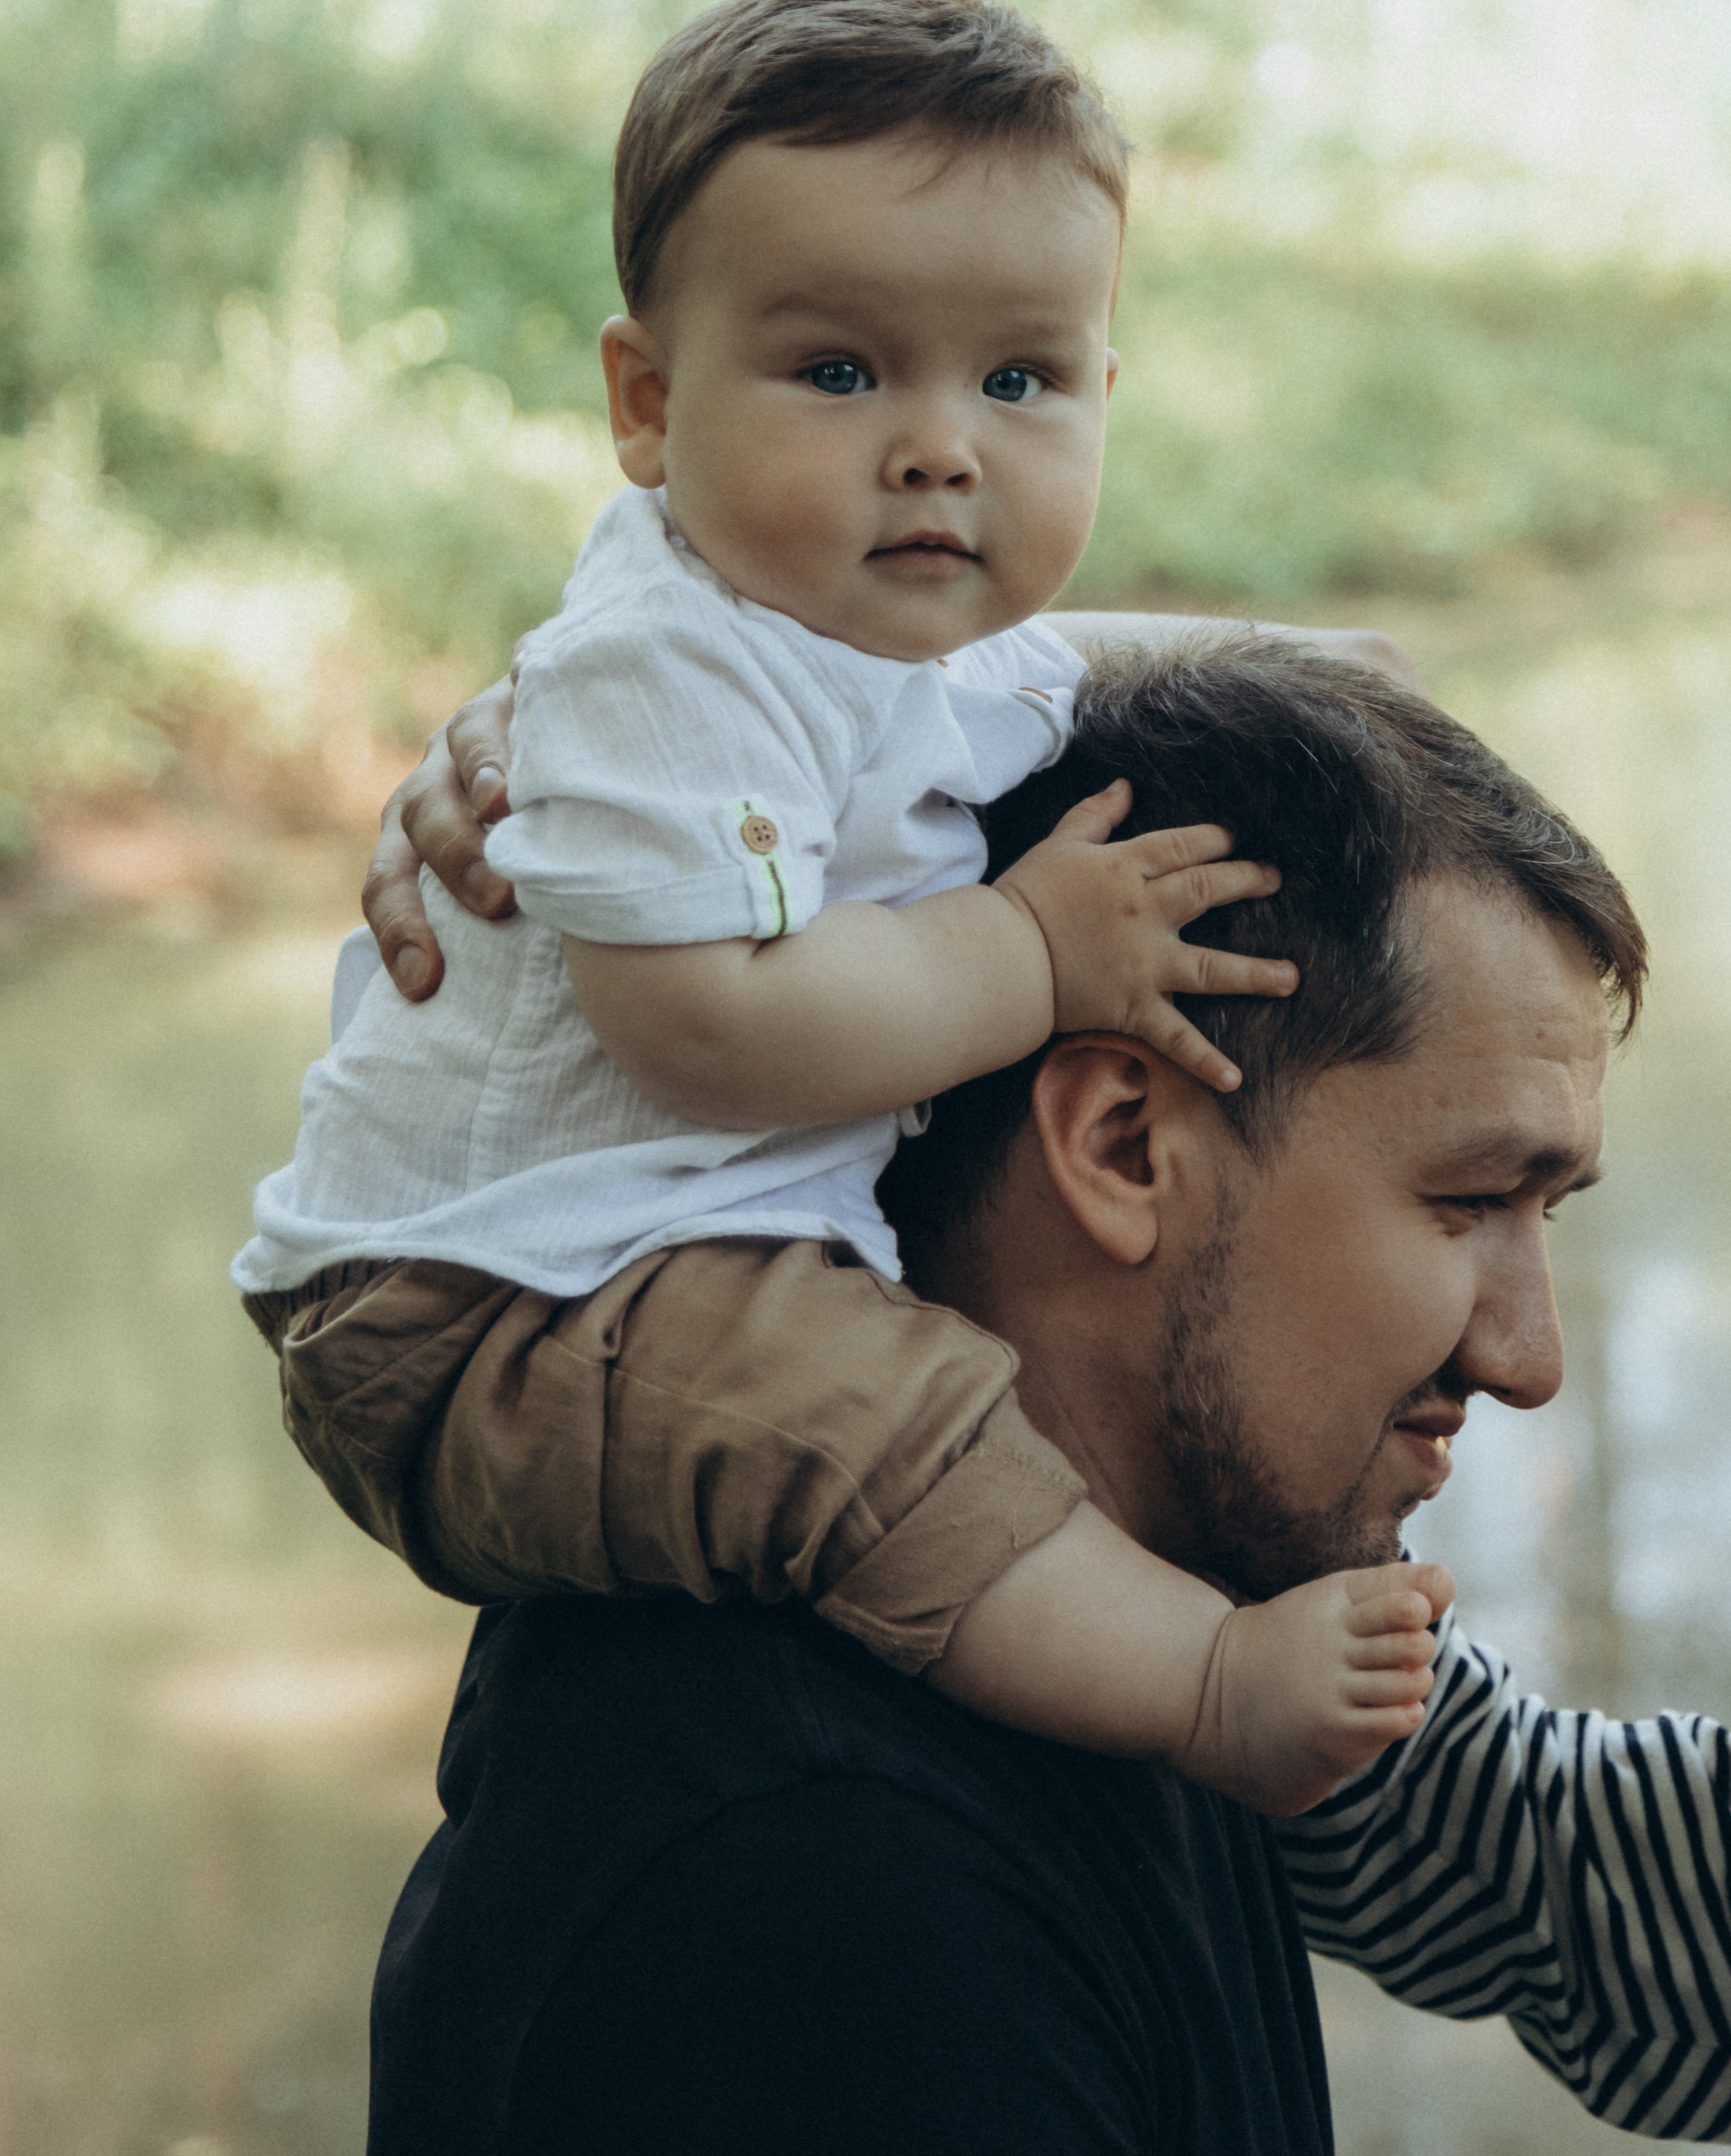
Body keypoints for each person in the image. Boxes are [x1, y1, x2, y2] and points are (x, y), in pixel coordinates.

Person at [235, 0, 1448, 1813]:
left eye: (1021, 379)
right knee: (871, 1416)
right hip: (485, 1310)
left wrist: (1331, 680)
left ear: (1105, 388)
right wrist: (1032, 951)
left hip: (631, 1272)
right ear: (646, 405)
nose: (940, 443)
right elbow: (710, 1028)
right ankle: (1199, 1682)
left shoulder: (886, 623)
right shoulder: (667, 666)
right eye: (839, 371)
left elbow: (1083, 664)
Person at [360, 638, 1731, 2155]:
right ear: (1122, 1142)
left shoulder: (1197, 1626)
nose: (1529, 1362)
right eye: (1469, 1197)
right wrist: (649, 752)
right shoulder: (817, 1892)